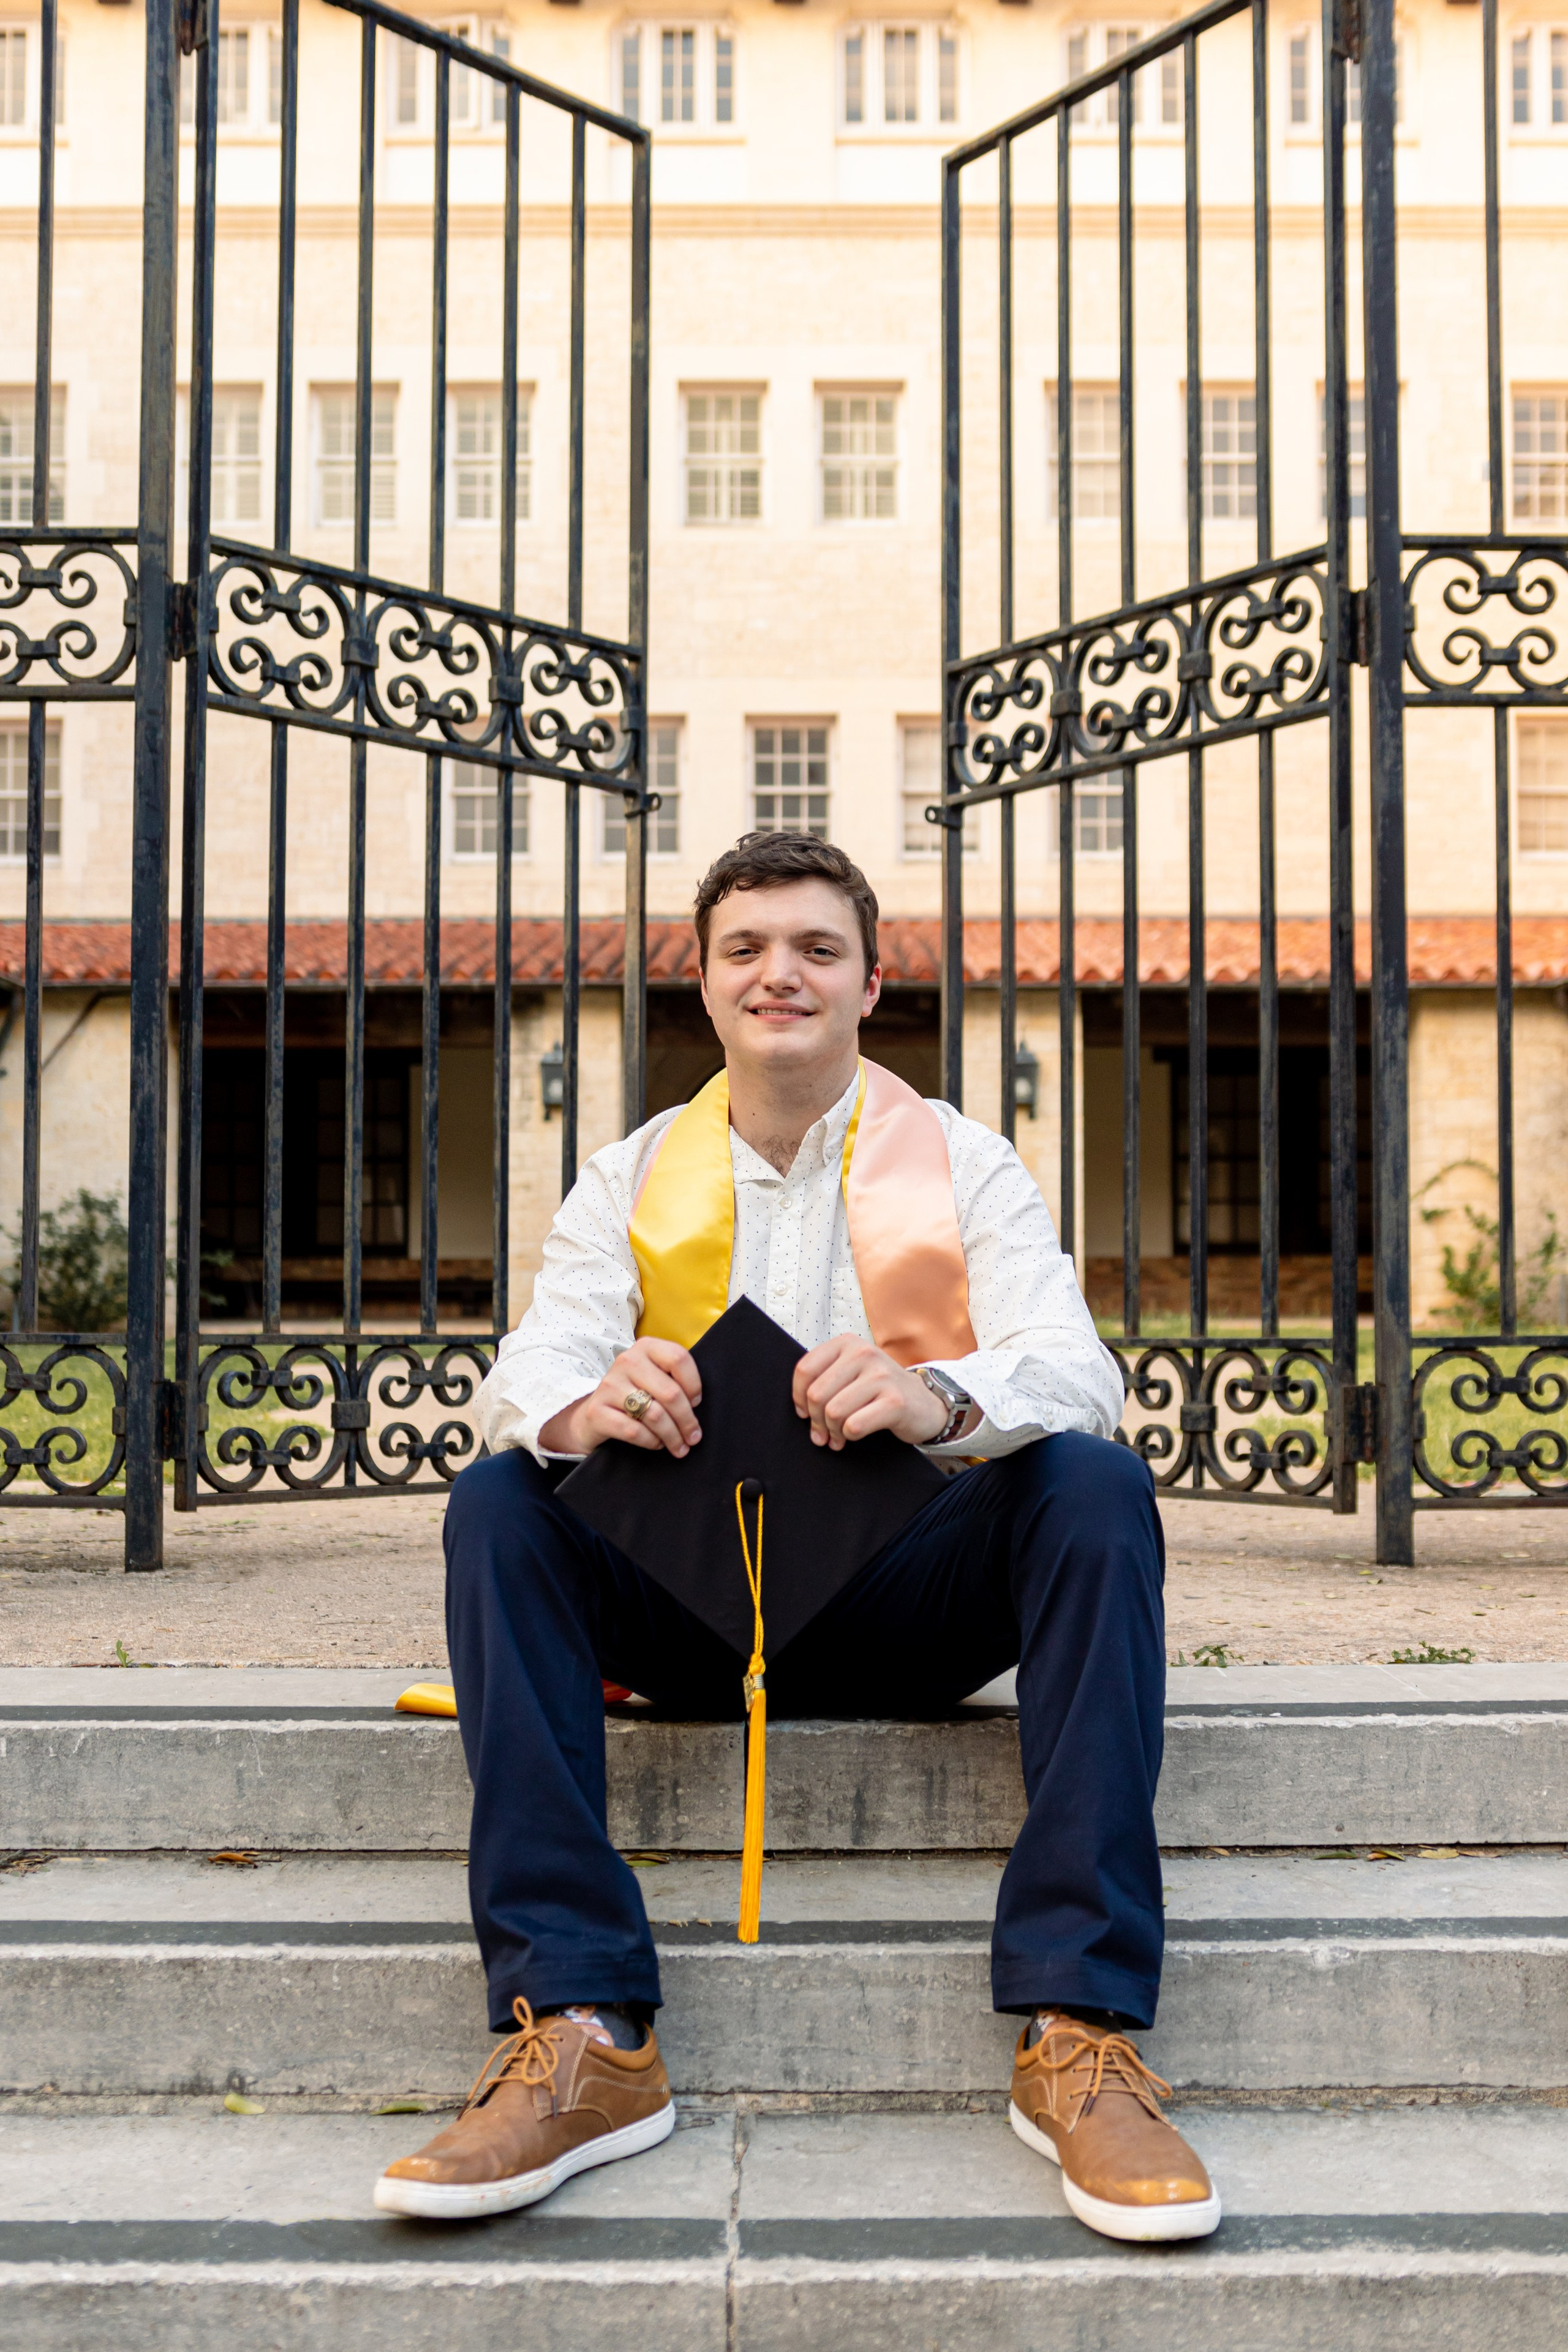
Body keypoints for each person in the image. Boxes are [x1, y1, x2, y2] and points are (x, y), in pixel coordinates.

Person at [375, 830, 1219, 2244]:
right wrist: (591, 1405)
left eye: (817, 948)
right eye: (747, 949)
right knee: (502, 1501)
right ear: (703, 984)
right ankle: (582, 2026)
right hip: (688, 1614)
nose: (781, 973)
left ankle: (1076, 2030)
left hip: (905, 1608)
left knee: (1089, 1482)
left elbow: (1077, 1372)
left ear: (868, 982)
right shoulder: (629, 1175)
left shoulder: (961, 1163)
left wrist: (935, 1396)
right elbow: (525, 1376)